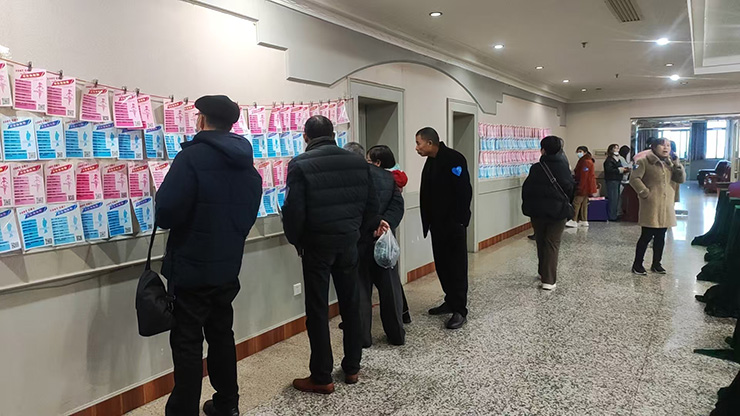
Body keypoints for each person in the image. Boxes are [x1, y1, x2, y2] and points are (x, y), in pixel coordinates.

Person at [156, 95, 263, 416]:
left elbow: (166, 213)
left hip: (190, 267)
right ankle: (228, 404)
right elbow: (247, 213)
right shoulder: (247, 163)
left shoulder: (190, 158)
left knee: (187, 342)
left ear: (202, 120)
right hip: (227, 265)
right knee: (221, 335)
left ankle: (183, 411)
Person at [282, 116, 384, 394]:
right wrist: (357, 233)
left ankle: (321, 376)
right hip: (349, 243)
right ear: (333, 134)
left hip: (317, 246)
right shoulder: (357, 162)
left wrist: (298, 241)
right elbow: (372, 205)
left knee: (317, 310)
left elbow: (293, 211)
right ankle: (352, 367)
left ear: (306, 136)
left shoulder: (300, 164)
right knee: (351, 304)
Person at [342, 142, 406, 346]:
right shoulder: (387, 177)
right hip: (384, 241)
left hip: (358, 242)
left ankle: (363, 338)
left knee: (361, 290)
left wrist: (371, 226)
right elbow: (398, 206)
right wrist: (385, 224)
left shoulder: (347, 180)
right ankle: (396, 334)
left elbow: (351, 212)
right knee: (391, 289)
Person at [417, 127, 473, 330]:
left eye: (419, 143)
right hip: (437, 225)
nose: (417, 148)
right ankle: (450, 300)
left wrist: (460, 220)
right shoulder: (431, 161)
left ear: (430, 143)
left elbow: (464, 191)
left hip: (453, 225)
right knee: (442, 265)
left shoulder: (454, 159)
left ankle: (460, 309)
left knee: (456, 267)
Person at [366, 144, 412, 325]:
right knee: (391, 280)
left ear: (377, 163)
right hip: (387, 234)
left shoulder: (385, 179)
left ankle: (399, 315)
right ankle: (402, 316)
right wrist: (386, 224)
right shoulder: (394, 178)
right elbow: (397, 207)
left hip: (376, 235)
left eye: (368, 161)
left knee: (381, 282)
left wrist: (379, 224)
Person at [521, 136, 575, 290]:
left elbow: (527, 189)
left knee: (541, 241)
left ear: (543, 150)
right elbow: (570, 188)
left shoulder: (536, 168)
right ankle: (549, 280)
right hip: (558, 212)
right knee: (552, 243)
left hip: (538, 212)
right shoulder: (564, 167)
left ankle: (542, 271)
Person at [629, 138, 686, 275]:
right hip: (651, 204)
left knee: (661, 236)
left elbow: (681, 179)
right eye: (662, 145)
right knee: (646, 236)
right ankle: (637, 264)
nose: (666, 148)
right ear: (654, 147)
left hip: (666, 205)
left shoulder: (670, 164)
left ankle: (656, 263)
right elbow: (634, 179)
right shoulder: (643, 162)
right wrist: (645, 193)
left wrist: (677, 164)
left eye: (668, 145)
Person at [566, 146, 596, 228]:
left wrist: (580, 187)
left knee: (576, 202)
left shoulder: (585, 162)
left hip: (584, 186)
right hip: (588, 186)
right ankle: (583, 220)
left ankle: (574, 220)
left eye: (580, 151)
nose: (578, 153)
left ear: (585, 152)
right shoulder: (588, 160)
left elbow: (584, 176)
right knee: (584, 204)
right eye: (578, 151)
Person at [604, 144, 630, 221]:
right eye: (615, 148)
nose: (617, 150)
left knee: (617, 199)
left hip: (617, 180)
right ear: (611, 150)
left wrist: (624, 169)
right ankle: (612, 216)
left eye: (618, 148)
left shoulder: (617, 159)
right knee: (613, 199)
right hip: (612, 180)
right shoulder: (609, 160)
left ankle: (615, 214)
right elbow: (609, 170)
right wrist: (620, 170)